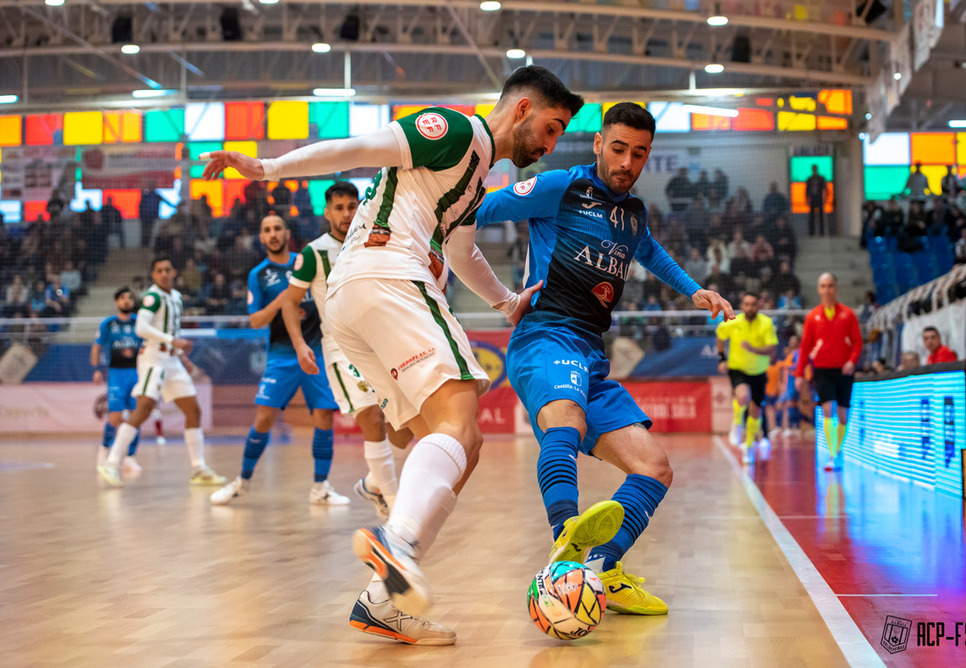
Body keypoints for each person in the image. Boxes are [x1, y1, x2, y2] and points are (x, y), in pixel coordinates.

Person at [201, 65, 584, 644]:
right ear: (524, 110)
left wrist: (507, 302)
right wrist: (268, 168)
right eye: (552, 128)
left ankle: (384, 598)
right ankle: (395, 543)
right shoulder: (456, 130)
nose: (552, 144)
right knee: (459, 418)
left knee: (462, 442)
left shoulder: (475, 177)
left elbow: (462, 251)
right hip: (390, 277)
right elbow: (358, 149)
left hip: (359, 299)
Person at [476, 103, 734, 616]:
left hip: (591, 352)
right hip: (545, 335)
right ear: (598, 144)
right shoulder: (560, 187)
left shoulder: (633, 211)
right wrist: (499, 295)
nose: (627, 162)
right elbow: (479, 212)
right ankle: (564, 551)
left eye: (639, 154)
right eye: (618, 149)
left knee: (655, 469)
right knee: (565, 425)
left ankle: (600, 570)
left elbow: (649, 249)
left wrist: (693, 289)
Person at [280, 181, 412, 519]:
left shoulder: (372, 242)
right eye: (338, 208)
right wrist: (299, 345)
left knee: (406, 426)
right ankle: (396, 508)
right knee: (372, 417)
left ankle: (373, 483)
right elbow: (289, 304)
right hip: (341, 349)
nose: (346, 213)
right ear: (327, 212)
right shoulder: (314, 252)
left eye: (351, 206)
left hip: (381, 346)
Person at [209, 214, 349, 506]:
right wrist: (287, 298)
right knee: (264, 418)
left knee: (324, 417)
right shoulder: (258, 275)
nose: (273, 234)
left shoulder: (306, 260)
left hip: (317, 351)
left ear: (287, 233)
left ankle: (320, 487)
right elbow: (257, 320)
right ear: (261, 238)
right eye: (266, 230)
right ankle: (242, 481)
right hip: (282, 356)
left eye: (277, 229)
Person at [97, 257, 226, 487]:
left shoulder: (175, 297)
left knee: (193, 411)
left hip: (171, 360)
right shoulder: (153, 296)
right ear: (154, 275)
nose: (164, 274)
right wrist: (172, 341)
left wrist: (180, 356)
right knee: (144, 408)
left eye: (168, 269)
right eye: (159, 271)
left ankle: (198, 468)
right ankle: (111, 462)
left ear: (174, 272)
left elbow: (170, 329)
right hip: (153, 360)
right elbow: (141, 328)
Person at [794, 273, 862, 471]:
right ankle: (832, 455)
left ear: (836, 288)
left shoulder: (848, 314)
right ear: (819, 289)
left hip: (844, 371)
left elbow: (857, 342)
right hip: (822, 370)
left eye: (830, 285)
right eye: (823, 286)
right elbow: (805, 347)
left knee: (843, 416)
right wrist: (799, 374)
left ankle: (838, 450)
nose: (827, 289)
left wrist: (852, 361)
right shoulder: (812, 317)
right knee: (827, 410)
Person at [717, 293, 777, 464]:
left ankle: (748, 447)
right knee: (742, 396)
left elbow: (772, 349)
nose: (750, 307)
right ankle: (737, 424)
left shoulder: (766, 323)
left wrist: (754, 349)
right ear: (742, 306)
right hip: (738, 369)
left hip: (758, 372)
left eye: (753, 304)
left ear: (758, 305)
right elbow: (720, 336)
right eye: (747, 304)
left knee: (756, 412)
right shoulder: (734, 321)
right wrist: (722, 358)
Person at [91, 288, 143, 474]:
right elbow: (97, 347)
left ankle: (130, 458)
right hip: (116, 375)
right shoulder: (108, 324)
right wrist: (97, 370)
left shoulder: (139, 322)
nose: (127, 301)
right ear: (116, 302)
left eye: (130, 298)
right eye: (123, 298)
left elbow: (148, 345)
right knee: (115, 418)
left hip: (137, 374)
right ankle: (104, 450)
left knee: (137, 416)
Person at [805, 165, 828, 236]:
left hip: (819, 199)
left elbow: (826, 190)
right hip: (813, 200)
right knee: (812, 217)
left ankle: (822, 233)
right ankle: (812, 233)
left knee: (821, 217)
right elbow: (807, 191)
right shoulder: (810, 179)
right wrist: (807, 200)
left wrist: (825, 199)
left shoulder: (821, 178)